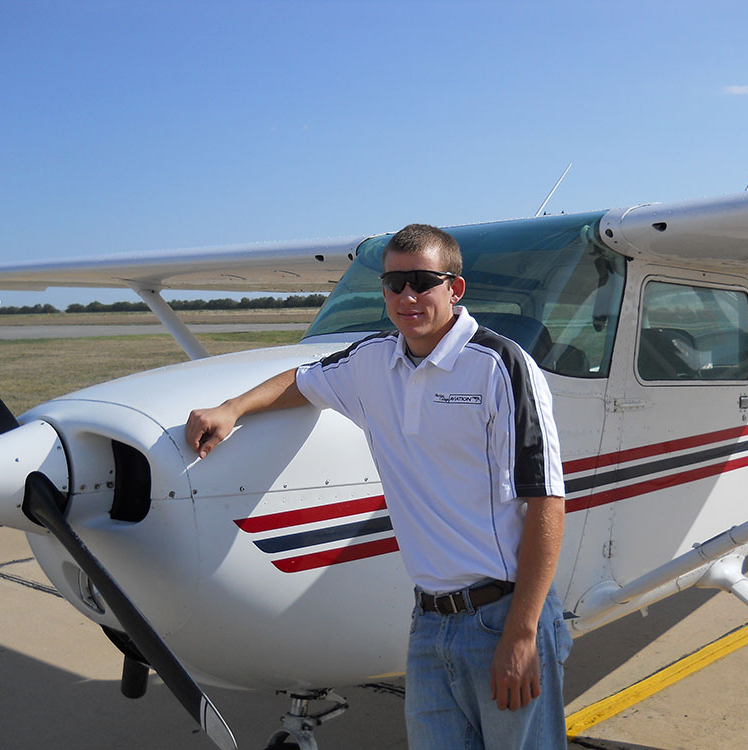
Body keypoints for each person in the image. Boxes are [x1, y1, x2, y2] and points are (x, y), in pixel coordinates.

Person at [185, 223, 571, 749]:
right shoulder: (373, 361)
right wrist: (232, 408)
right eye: (393, 283)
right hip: (429, 623)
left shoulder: (499, 366)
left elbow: (546, 502)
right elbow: (301, 380)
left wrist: (523, 632)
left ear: (454, 289)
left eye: (422, 281)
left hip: (503, 616)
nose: (406, 296)